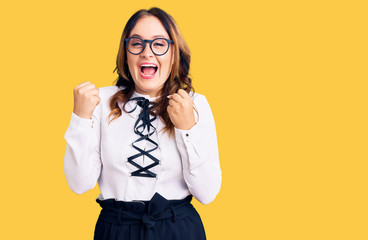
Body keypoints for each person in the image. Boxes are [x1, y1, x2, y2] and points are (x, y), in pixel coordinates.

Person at [63, 7, 222, 240]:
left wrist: (187, 129)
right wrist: (80, 118)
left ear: (173, 53)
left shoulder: (195, 104)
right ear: (126, 54)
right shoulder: (100, 101)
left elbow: (207, 194)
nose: (147, 53)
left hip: (177, 230)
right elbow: (79, 184)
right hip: (116, 229)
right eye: (136, 43)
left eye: (159, 44)